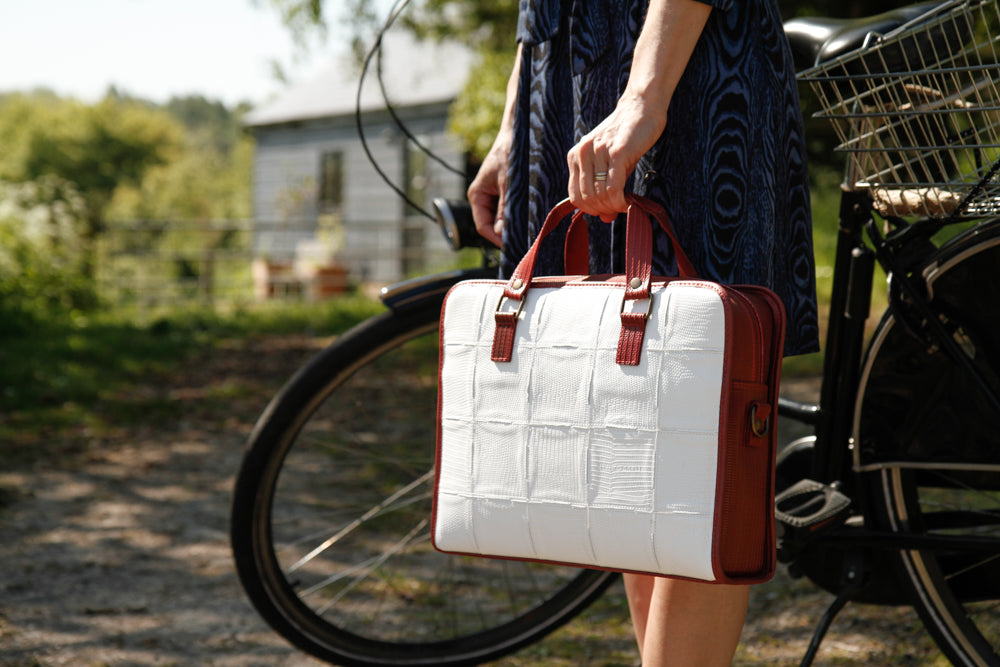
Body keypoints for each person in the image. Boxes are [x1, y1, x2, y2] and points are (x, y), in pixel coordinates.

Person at [467, 0, 820, 664]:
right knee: (623, 437)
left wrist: (643, 98)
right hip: (565, 86)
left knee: (704, 446)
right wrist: (514, 125)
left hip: (688, 66)